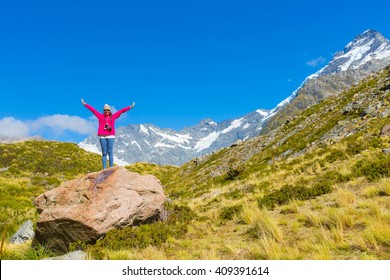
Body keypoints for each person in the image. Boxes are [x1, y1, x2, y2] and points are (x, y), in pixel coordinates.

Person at [81, 98, 135, 169]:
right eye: (105, 110)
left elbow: (121, 111)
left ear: (110, 111)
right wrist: (85, 104)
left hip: (111, 136)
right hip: (102, 136)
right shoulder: (100, 116)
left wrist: (130, 107)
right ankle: (104, 169)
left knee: (110, 152)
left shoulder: (113, 116)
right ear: (103, 111)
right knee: (104, 153)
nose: (106, 111)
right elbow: (92, 110)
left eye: (108, 110)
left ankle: (111, 168)